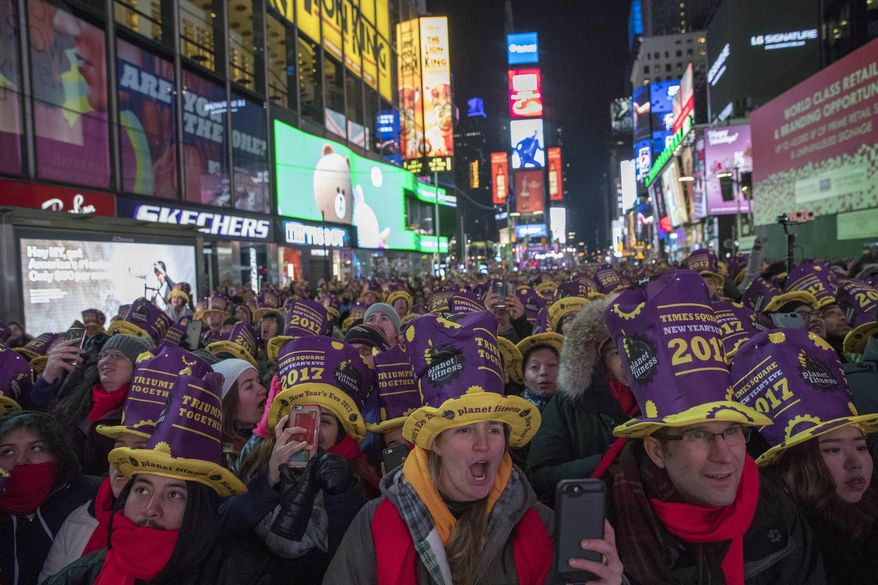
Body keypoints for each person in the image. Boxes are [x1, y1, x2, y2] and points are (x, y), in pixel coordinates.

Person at [324, 311, 624, 585]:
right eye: (465, 429)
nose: (483, 444)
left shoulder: (539, 525)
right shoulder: (375, 524)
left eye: (493, 429)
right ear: (436, 443)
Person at [603, 270, 826, 585]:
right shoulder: (609, 521)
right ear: (656, 450)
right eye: (697, 434)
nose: (724, 455)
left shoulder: (772, 504)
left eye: (732, 431)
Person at [45, 371, 271, 585]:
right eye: (142, 490)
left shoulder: (242, 574)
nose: (152, 508)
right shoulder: (82, 576)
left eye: (174, 494)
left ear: (198, 508)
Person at [38, 345, 214, 582]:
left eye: (141, 450)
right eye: (120, 446)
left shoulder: (222, 564)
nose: (125, 462)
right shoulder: (77, 516)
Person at [730, 328, 878, 585]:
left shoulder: (869, 509)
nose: (855, 463)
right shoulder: (782, 542)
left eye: (861, 447)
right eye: (832, 449)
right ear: (797, 462)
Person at [221, 336, 371, 584]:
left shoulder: (354, 477)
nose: (313, 433)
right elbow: (226, 528)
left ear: (340, 433)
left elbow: (349, 558)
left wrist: (341, 492)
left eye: (324, 422)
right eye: (304, 420)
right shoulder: (259, 459)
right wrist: (268, 481)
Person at [527, 296, 637, 504]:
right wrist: (608, 460)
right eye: (616, 352)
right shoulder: (569, 402)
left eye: (636, 347)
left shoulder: (666, 398)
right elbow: (540, 475)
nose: (629, 360)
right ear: (599, 356)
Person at [1, 411, 100, 585]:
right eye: (8, 452)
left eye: (36, 448)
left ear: (58, 453)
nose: (21, 461)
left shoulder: (93, 497)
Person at [48, 333, 153, 475]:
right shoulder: (76, 400)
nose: (107, 360)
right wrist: (47, 378)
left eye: (118, 356)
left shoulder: (144, 413)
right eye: (104, 355)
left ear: (138, 367)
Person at [212, 358, 268, 458]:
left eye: (259, 382)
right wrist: (259, 434)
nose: (263, 390)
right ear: (228, 402)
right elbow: (242, 472)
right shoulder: (216, 449)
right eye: (249, 386)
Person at [515, 332, 563, 411]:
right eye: (534, 367)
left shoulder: (574, 409)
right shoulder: (511, 411)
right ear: (524, 378)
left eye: (552, 365)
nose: (543, 372)